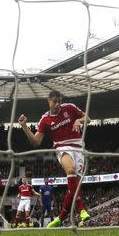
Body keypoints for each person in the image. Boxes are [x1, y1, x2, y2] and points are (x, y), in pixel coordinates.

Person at [18, 90, 91, 228]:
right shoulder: (45, 119)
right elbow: (36, 142)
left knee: (73, 189)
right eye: (54, 102)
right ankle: (81, 210)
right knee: (71, 169)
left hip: (79, 148)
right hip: (62, 148)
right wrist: (24, 127)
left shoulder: (69, 108)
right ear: (48, 101)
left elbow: (88, 118)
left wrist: (78, 120)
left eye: (59, 102)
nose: (57, 104)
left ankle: (60, 218)